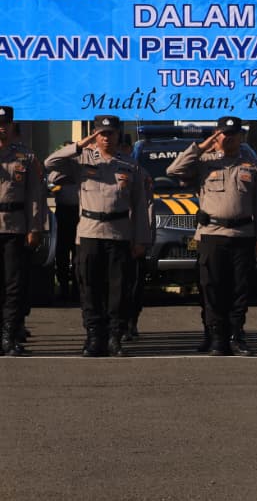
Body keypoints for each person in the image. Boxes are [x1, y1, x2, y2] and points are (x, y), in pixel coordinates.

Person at [45, 116, 150, 356]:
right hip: (90, 232)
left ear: (118, 135)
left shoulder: (130, 165)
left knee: (118, 289)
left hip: (119, 232)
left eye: (110, 133)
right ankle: (94, 336)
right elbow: (51, 162)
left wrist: (140, 239)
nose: (106, 137)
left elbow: (140, 206)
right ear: (95, 134)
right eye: (101, 133)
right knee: (89, 287)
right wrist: (81, 144)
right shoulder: (81, 160)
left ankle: (115, 336)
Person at [166, 116, 257, 356]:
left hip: (243, 235)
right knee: (212, 287)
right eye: (223, 133)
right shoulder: (204, 162)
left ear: (241, 137)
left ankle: (235, 336)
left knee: (240, 289)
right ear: (216, 135)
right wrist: (201, 147)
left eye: (233, 134)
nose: (228, 137)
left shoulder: (252, 166)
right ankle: (215, 336)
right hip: (212, 235)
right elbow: (174, 170)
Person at [0, 107, 45, 356]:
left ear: (12, 125)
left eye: (5, 123)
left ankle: (9, 336)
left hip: (15, 226)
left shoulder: (25, 157)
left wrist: (35, 227)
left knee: (14, 285)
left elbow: (35, 196)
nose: (1, 127)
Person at [47, 159, 78, 305]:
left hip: (79, 214)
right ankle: (64, 288)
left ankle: (78, 290)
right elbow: (50, 184)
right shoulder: (57, 172)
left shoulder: (82, 170)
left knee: (78, 255)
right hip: (63, 213)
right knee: (62, 254)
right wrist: (61, 183)